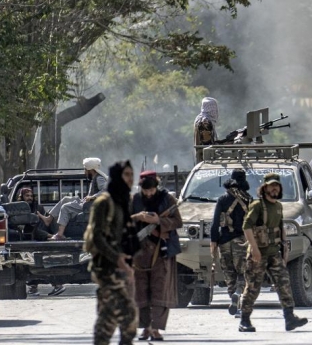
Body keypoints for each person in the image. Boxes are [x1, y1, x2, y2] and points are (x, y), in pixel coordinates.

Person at [239, 173, 308, 332]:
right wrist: (254, 249)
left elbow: (280, 228)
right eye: (271, 186)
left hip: (274, 253)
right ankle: (244, 320)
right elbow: (247, 226)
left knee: (284, 283)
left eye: (277, 185)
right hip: (258, 254)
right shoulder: (257, 206)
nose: (275, 188)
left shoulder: (278, 206)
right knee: (253, 287)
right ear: (264, 188)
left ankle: (289, 318)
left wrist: (285, 250)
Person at [85, 160, 140, 345]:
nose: (130, 179)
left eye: (132, 175)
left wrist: (129, 263)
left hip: (120, 267)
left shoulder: (124, 201)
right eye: (126, 175)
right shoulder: (103, 202)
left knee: (108, 315)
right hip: (105, 266)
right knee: (127, 313)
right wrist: (117, 259)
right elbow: (97, 238)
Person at [131, 171, 183, 341]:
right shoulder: (134, 200)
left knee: (160, 290)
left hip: (162, 251)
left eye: (151, 190)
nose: (149, 194)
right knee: (140, 291)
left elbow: (178, 221)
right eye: (146, 191)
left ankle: (156, 329)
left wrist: (158, 222)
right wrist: (139, 217)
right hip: (139, 251)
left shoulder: (168, 199)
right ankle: (145, 328)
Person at [210, 169, 251, 317]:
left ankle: (233, 295)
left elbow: (215, 223)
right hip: (242, 241)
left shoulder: (222, 199)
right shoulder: (248, 199)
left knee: (229, 274)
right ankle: (239, 295)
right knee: (243, 273)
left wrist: (213, 242)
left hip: (224, 242)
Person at [50, 157, 108, 240]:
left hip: (90, 207)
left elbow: (106, 190)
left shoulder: (99, 178)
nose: (85, 172)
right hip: (87, 203)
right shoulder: (95, 178)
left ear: (90, 170)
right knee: (66, 199)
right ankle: (49, 218)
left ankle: (60, 234)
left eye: (85, 170)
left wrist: (92, 197)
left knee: (65, 207)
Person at [194, 97, 219, 163]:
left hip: (202, 155)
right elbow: (207, 144)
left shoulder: (200, 117)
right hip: (206, 158)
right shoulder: (205, 122)